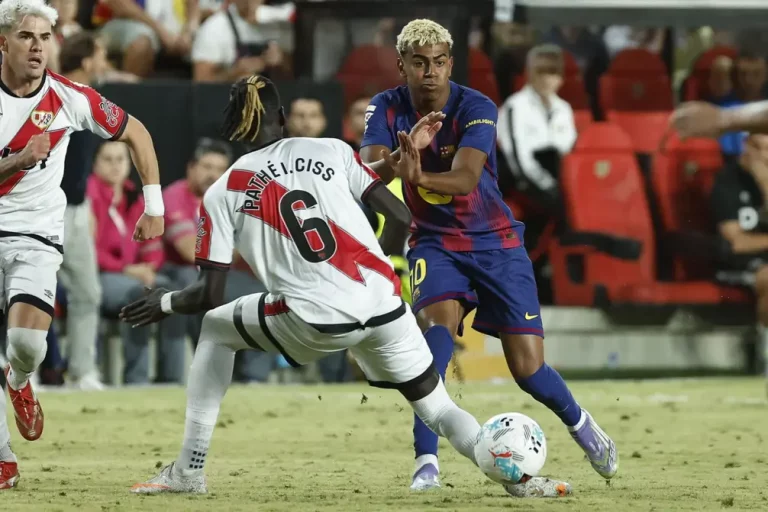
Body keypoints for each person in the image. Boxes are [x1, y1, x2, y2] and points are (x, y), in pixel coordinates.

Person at [122, 75, 571, 499]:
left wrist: (163, 302)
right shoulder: (334, 151)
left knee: (216, 329)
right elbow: (398, 216)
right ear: (282, 116)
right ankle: (519, 480)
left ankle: (189, 470)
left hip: (315, 318)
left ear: (233, 127)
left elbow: (208, 295)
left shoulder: (223, 190)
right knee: (435, 407)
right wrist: (381, 266)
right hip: (383, 306)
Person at [359, 19, 617, 492]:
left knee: (528, 370)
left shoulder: (476, 105)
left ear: (450, 63)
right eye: (419, 63)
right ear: (403, 66)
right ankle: (426, 464)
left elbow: (465, 179)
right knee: (432, 340)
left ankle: (582, 425)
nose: (430, 72)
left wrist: (415, 177)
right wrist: (399, 161)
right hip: (434, 243)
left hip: (497, 243)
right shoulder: (385, 107)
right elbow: (367, 171)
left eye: (438, 62)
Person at [0, 0, 164, 490]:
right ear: (2, 42)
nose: (37, 46)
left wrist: (153, 207)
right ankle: (3, 458)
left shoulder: (72, 97)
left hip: (35, 234)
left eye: (45, 37)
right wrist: (18, 160)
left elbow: (137, 133)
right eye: (26, 37)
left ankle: (19, 379)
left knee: (27, 344)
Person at [56, 31, 110, 390]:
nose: (105, 62)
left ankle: (81, 370)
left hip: (76, 209)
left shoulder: (89, 99)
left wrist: (86, 202)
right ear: (88, 61)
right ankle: (18, 374)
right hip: (44, 209)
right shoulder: (59, 96)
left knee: (88, 293)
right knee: (18, 293)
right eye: (102, 55)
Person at [710, 134, 768, 390]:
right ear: (746, 146)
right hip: (737, 263)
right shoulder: (727, 181)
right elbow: (736, 242)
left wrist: (765, 181)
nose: (765, 155)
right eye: (759, 147)